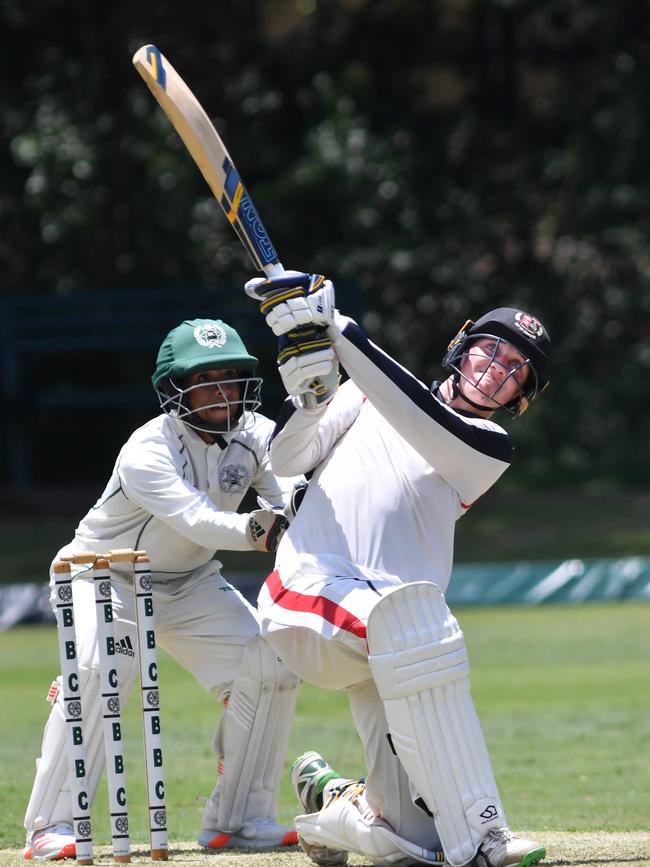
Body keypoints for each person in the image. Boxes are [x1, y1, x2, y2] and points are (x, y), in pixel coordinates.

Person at [243, 271, 552, 867]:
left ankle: (330, 808)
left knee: (412, 844)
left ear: (519, 399)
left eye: (516, 368)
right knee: (419, 621)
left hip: (393, 651)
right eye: (492, 349)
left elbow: (415, 412)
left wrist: (336, 329)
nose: (498, 368)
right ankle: (489, 833)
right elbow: (285, 458)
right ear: (462, 347)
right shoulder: (360, 394)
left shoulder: (485, 447)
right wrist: (310, 396)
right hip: (309, 592)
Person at [23, 317, 303, 860]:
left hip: (191, 582)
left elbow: (289, 490)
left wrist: (304, 503)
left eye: (231, 376)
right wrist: (262, 528)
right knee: (101, 669)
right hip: (102, 573)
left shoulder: (256, 435)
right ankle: (50, 825)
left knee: (271, 664)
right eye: (207, 379)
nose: (223, 391)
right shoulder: (146, 450)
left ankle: (238, 820)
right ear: (176, 388)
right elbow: (196, 521)